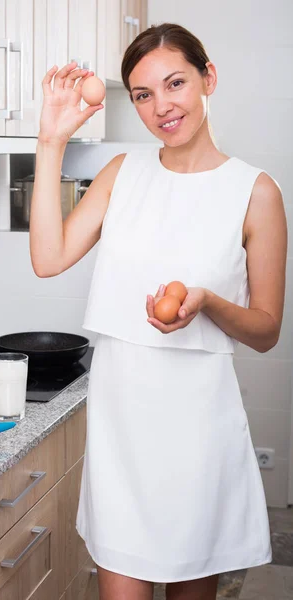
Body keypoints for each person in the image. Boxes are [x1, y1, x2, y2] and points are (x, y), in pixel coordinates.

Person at [29, 22, 287, 600]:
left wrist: (209, 303)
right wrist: (51, 142)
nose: (161, 107)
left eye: (175, 84)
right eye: (143, 95)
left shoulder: (256, 192)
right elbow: (48, 258)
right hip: (122, 427)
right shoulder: (123, 172)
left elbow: (267, 331)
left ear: (207, 79)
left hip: (198, 433)